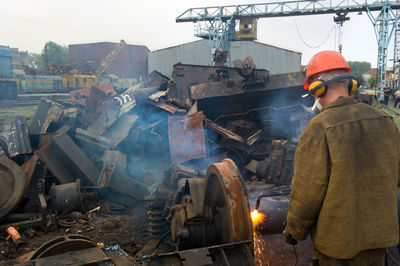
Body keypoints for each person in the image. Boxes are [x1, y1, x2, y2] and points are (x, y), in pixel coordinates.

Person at [283, 50, 400, 265]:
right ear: (350, 84)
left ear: (317, 88)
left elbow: (308, 191)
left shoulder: (320, 126)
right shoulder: (385, 120)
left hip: (339, 244)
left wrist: (294, 230)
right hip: (380, 238)